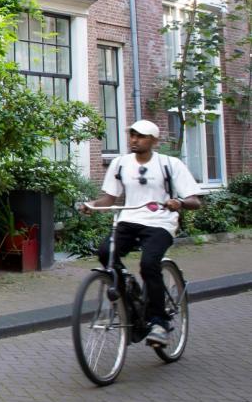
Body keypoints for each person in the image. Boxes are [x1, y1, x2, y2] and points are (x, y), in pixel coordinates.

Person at [81, 119, 202, 347]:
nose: (135, 140)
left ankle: (159, 322)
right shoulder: (120, 163)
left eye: (141, 136)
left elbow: (195, 200)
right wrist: (92, 205)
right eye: (133, 135)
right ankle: (131, 300)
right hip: (129, 219)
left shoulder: (169, 164)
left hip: (160, 222)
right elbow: (109, 199)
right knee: (105, 252)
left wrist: (180, 203)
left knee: (149, 264)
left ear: (154, 140)